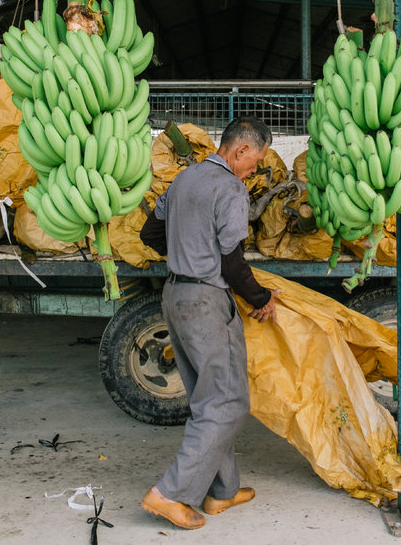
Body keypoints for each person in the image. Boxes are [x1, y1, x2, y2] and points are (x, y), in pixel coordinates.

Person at [138, 116, 281, 530]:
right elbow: (232, 262)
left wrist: (186, 250)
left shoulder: (185, 180)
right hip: (205, 302)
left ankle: (222, 491)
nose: (254, 169)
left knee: (211, 398)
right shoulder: (230, 188)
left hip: (175, 295)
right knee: (227, 402)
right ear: (239, 151)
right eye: (255, 160)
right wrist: (260, 298)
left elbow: (151, 232)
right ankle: (170, 494)